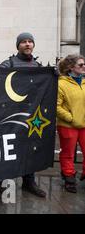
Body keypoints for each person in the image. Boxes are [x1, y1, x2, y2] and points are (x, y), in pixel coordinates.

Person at [0, 32, 47, 199]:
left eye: (30, 41)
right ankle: (3, 185)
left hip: (31, 116)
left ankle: (29, 182)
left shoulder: (39, 67)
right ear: (18, 45)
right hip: (10, 115)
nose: (27, 44)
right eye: (23, 42)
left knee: (30, 149)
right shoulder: (8, 64)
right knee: (8, 149)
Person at [56, 54, 85, 193]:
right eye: (80, 65)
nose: (83, 66)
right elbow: (56, 106)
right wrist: (70, 118)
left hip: (84, 125)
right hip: (68, 125)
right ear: (70, 67)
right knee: (68, 153)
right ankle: (69, 178)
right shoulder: (61, 84)